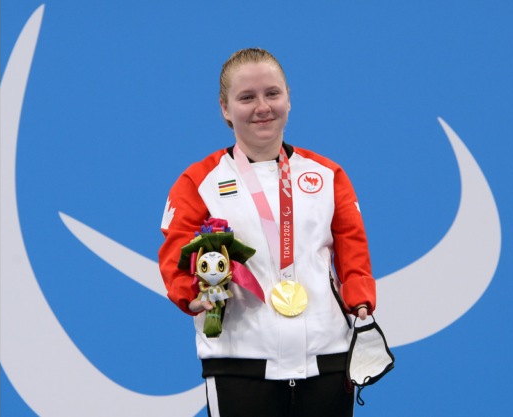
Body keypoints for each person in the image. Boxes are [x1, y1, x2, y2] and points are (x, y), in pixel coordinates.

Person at [158, 48, 376, 417]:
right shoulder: (199, 181)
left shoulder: (326, 175)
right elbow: (176, 254)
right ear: (226, 109)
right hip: (239, 361)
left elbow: (354, 256)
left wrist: (362, 309)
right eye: (247, 97)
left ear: (289, 98)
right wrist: (191, 295)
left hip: (327, 359)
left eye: (272, 94)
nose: (262, 107)